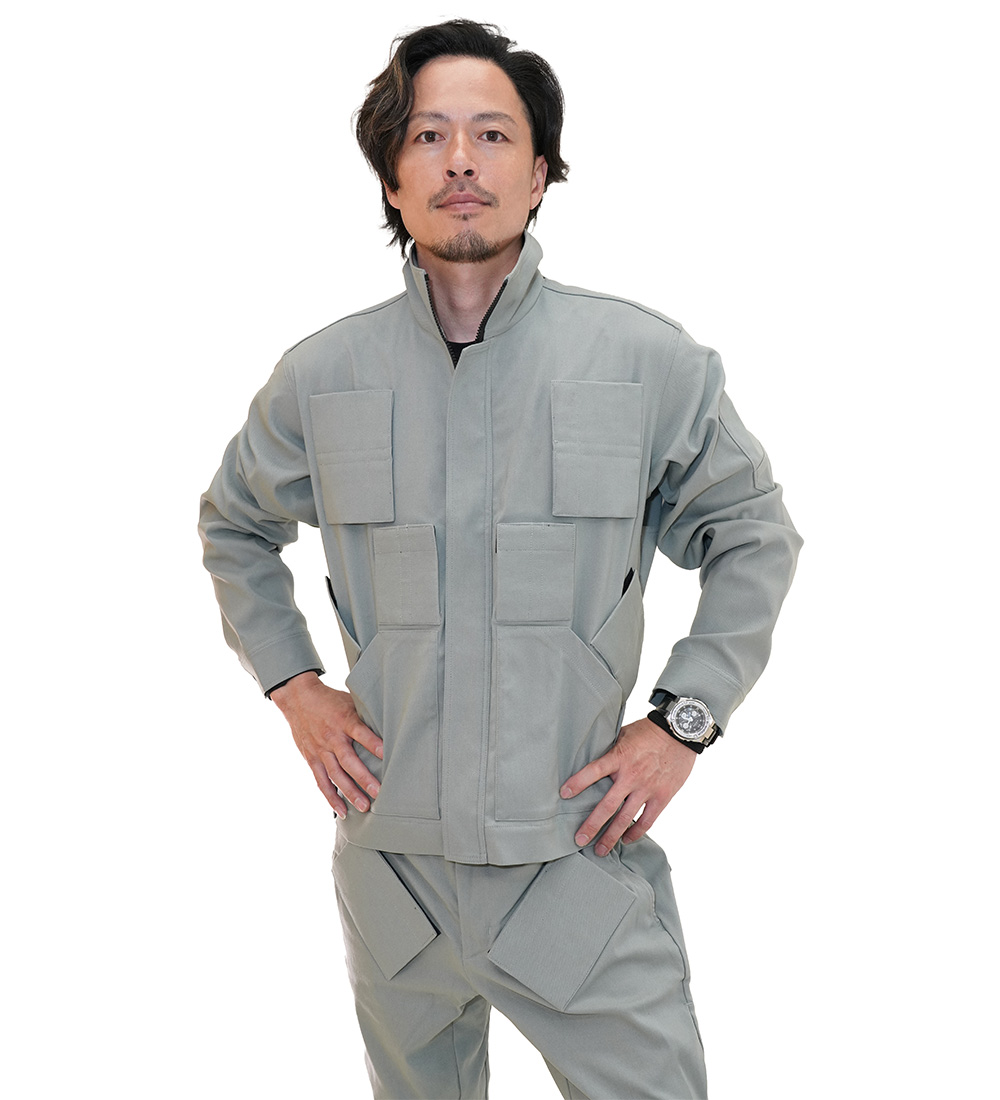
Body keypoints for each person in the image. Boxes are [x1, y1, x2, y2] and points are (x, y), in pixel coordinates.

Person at [199, 19, 801, 1100]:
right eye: (428, 136)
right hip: (393, 874)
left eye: (492, 134)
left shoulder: (646, 361)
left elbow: (753, 533)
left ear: (540, 172)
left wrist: (682, 724)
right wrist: (296, 688)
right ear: (392, 180)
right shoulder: (321, 376)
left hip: (572, 858)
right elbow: (235, 524)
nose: (461, 161)